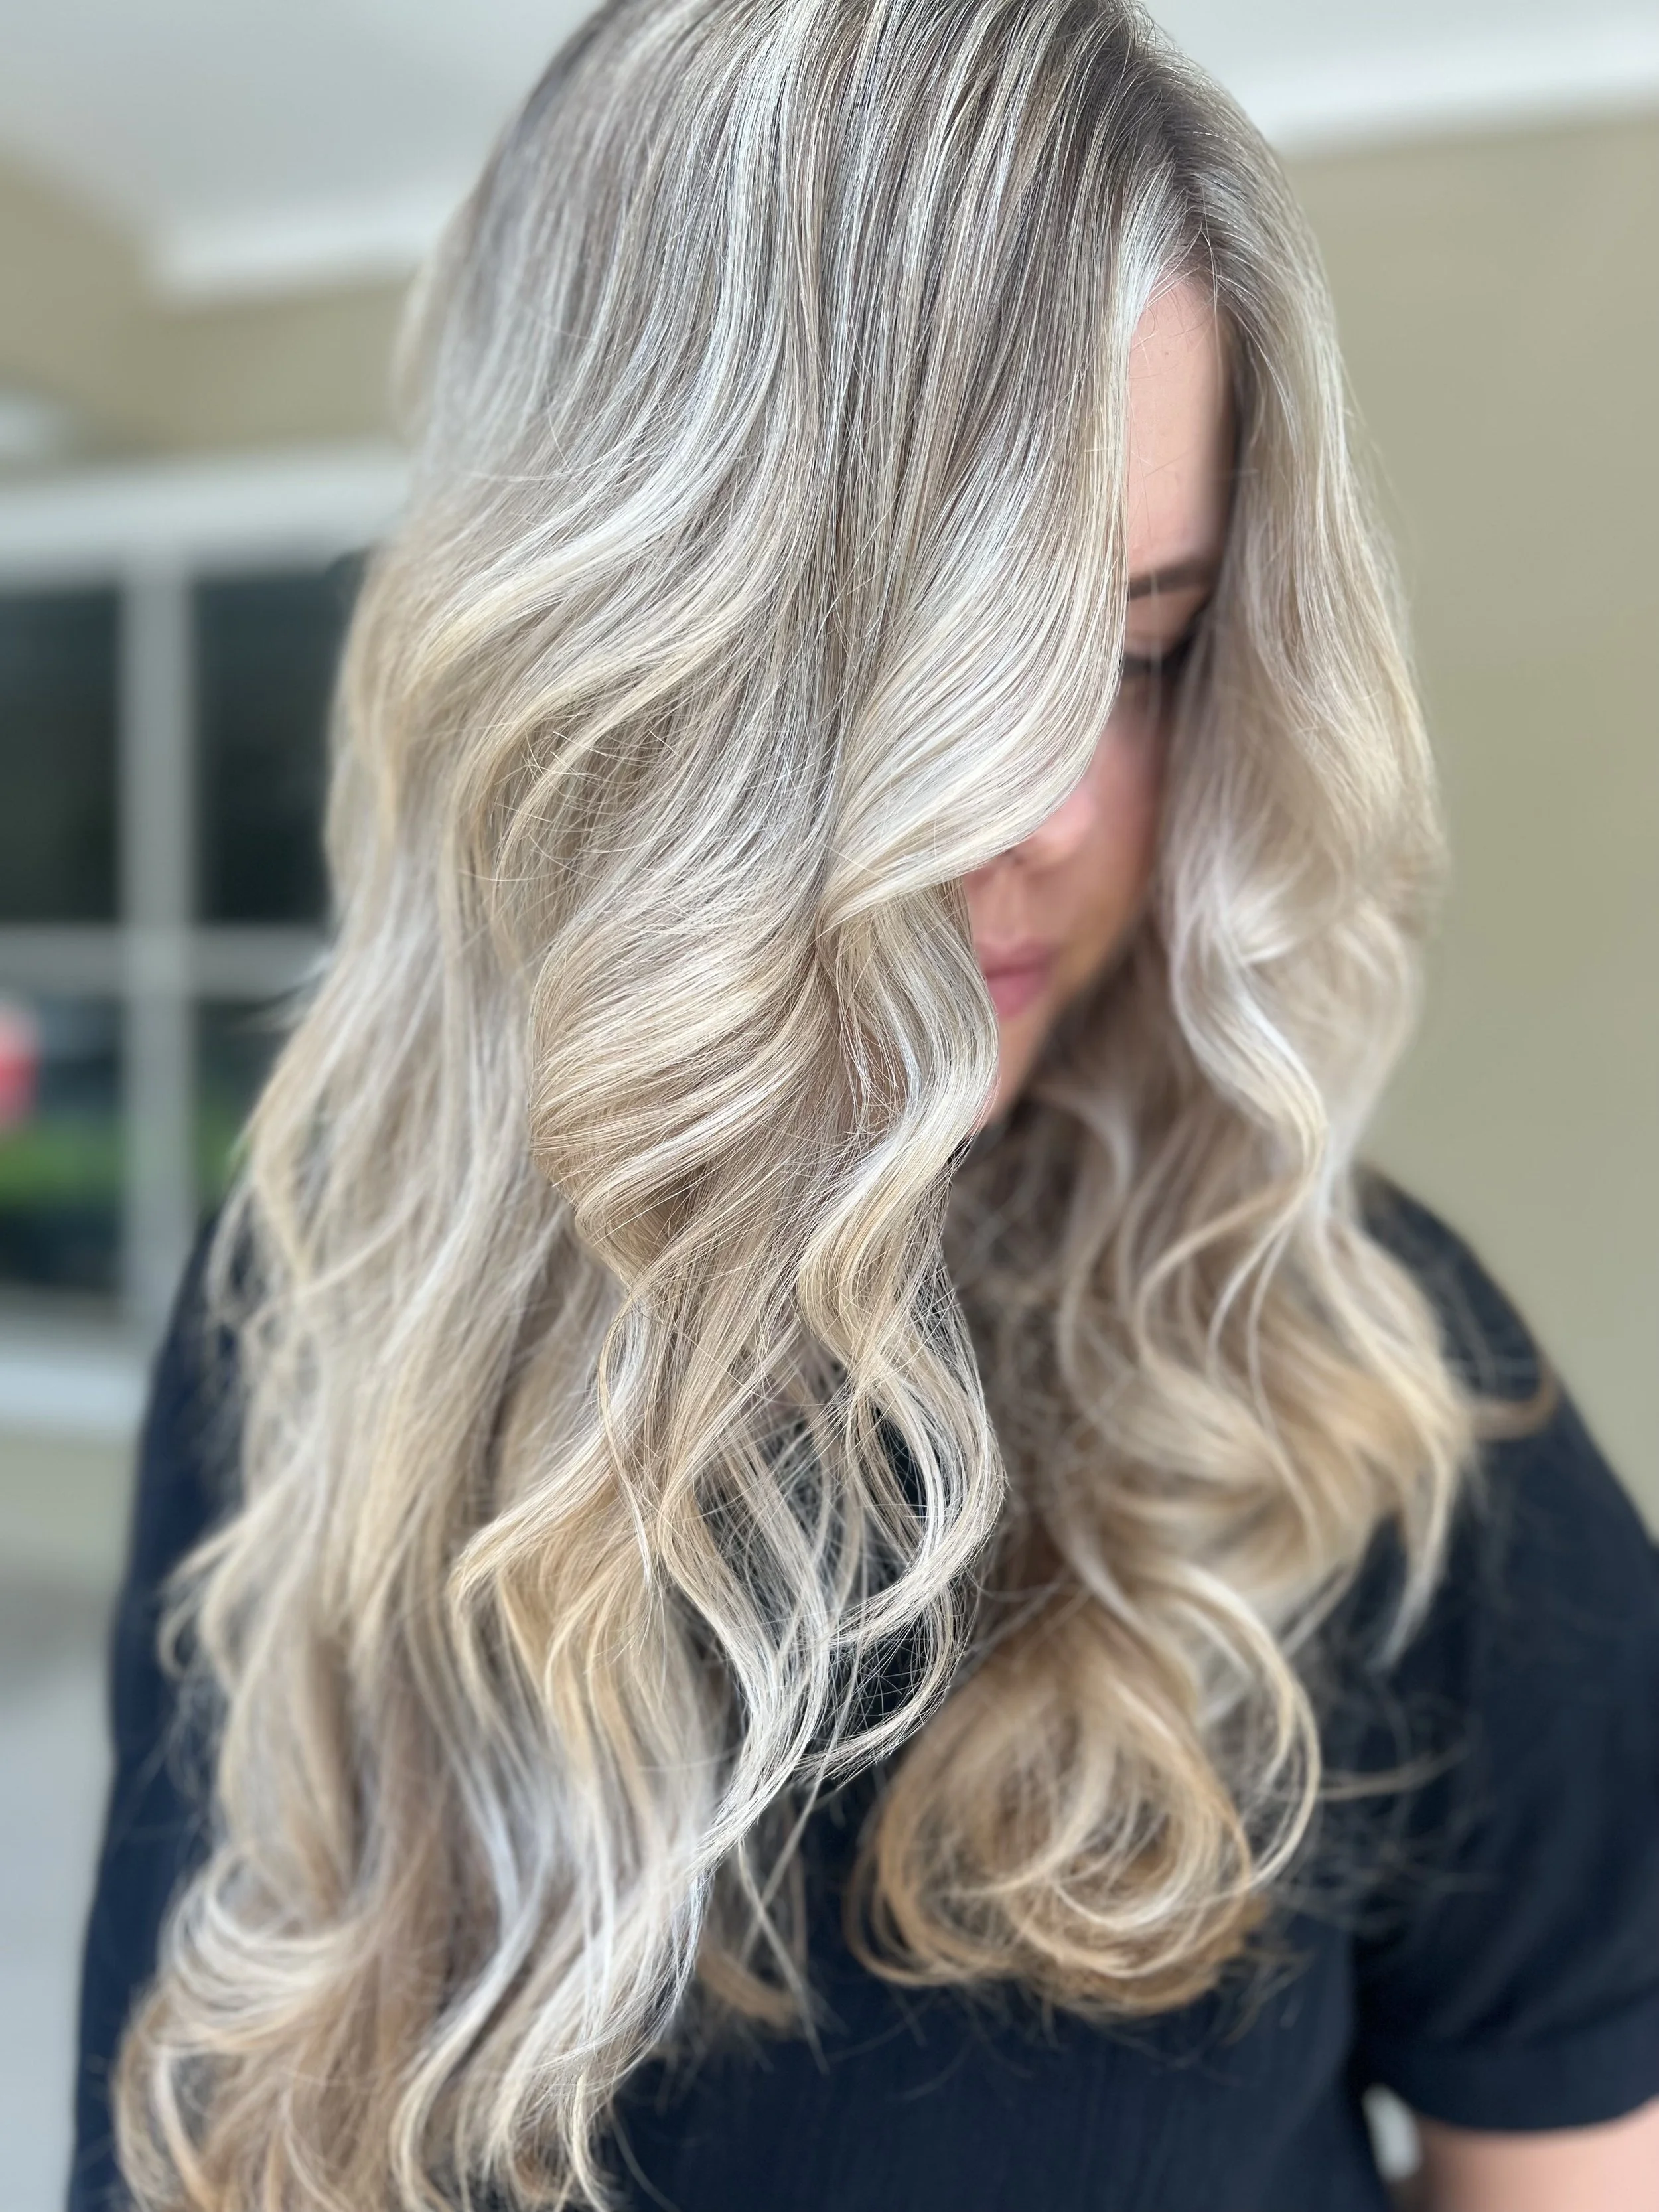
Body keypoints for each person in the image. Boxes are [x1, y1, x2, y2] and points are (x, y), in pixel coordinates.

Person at [71, 3, 1659, 2208]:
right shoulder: (308, 1310)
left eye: (1139, 650)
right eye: (905, 670)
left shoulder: (1367, 1393)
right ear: (592, 645)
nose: (1033, 814)